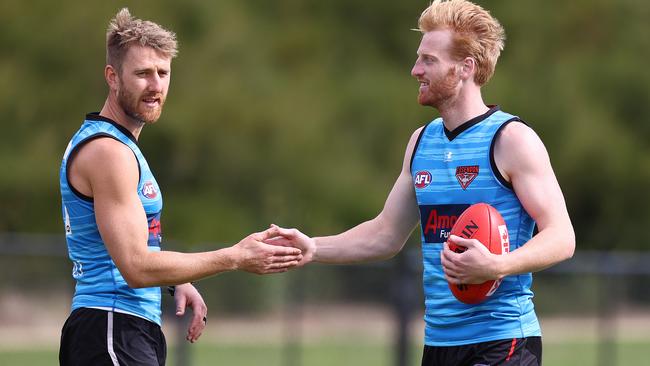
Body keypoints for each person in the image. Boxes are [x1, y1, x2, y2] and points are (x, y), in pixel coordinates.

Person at [270, 1, 575, 365]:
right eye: (418, 59)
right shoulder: (421, 143)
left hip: (503, 339)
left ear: (465, 68)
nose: (415, 70)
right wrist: (314, 248)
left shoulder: (511, 139)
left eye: (428, 59)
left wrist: (497, 265)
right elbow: (384, 234)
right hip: (439, 343)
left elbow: (562, 237)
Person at [58, 8, 302, 366]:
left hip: (126, 327)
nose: (156, 86)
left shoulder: (119, 145)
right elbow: (135, 267)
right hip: (111, 328)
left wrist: (176, 280)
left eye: (163, 72)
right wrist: (234, 257)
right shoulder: (108, 152)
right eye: (142, 74)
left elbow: (133, 243)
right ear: (112, 77)